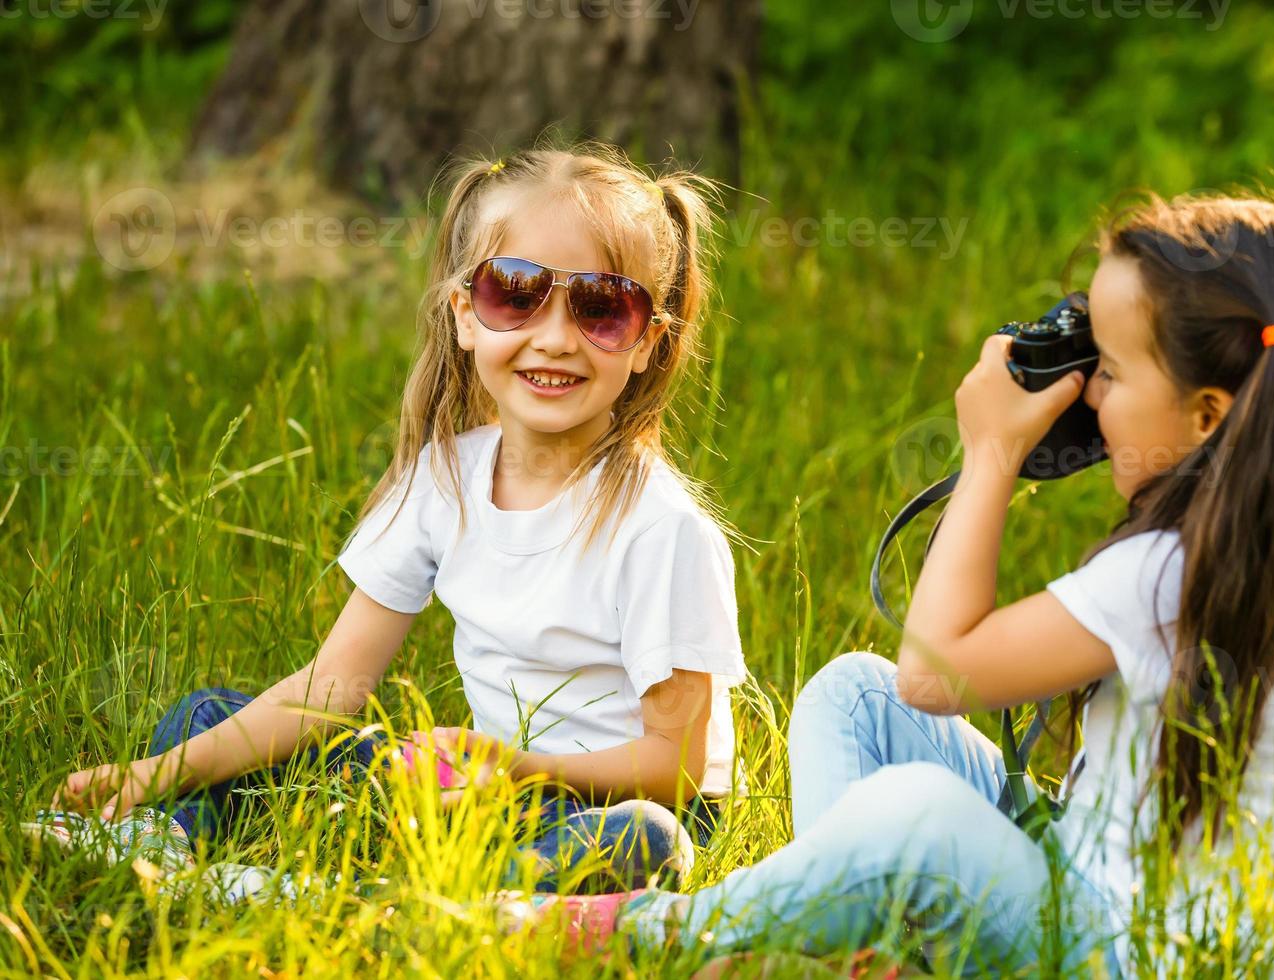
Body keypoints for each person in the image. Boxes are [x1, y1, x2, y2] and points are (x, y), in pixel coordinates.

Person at [528, 192, 1274, 977]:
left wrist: (992, 453)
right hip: (1117, 891)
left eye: (1114, 371)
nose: (1086, 390)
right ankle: (852, 942)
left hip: (1129, 957)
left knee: (918, 809)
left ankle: (655, 932)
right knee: (857, 698)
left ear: (1209, 416)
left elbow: (937, 672)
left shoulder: (1168, 574)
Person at [33, 144, 747, 897]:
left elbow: (676, 766)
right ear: (466, 316)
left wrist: (514, 768)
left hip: (607, 801)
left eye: (603, 307)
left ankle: (443, 898)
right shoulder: (444, 479)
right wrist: (157, 771)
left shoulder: (660, 528)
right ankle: (166, 838)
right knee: (203, 719)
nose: (557, 337)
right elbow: (332, 687)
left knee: (644, 841)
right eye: (517, 293)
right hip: (483, 786)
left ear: (648, 344)